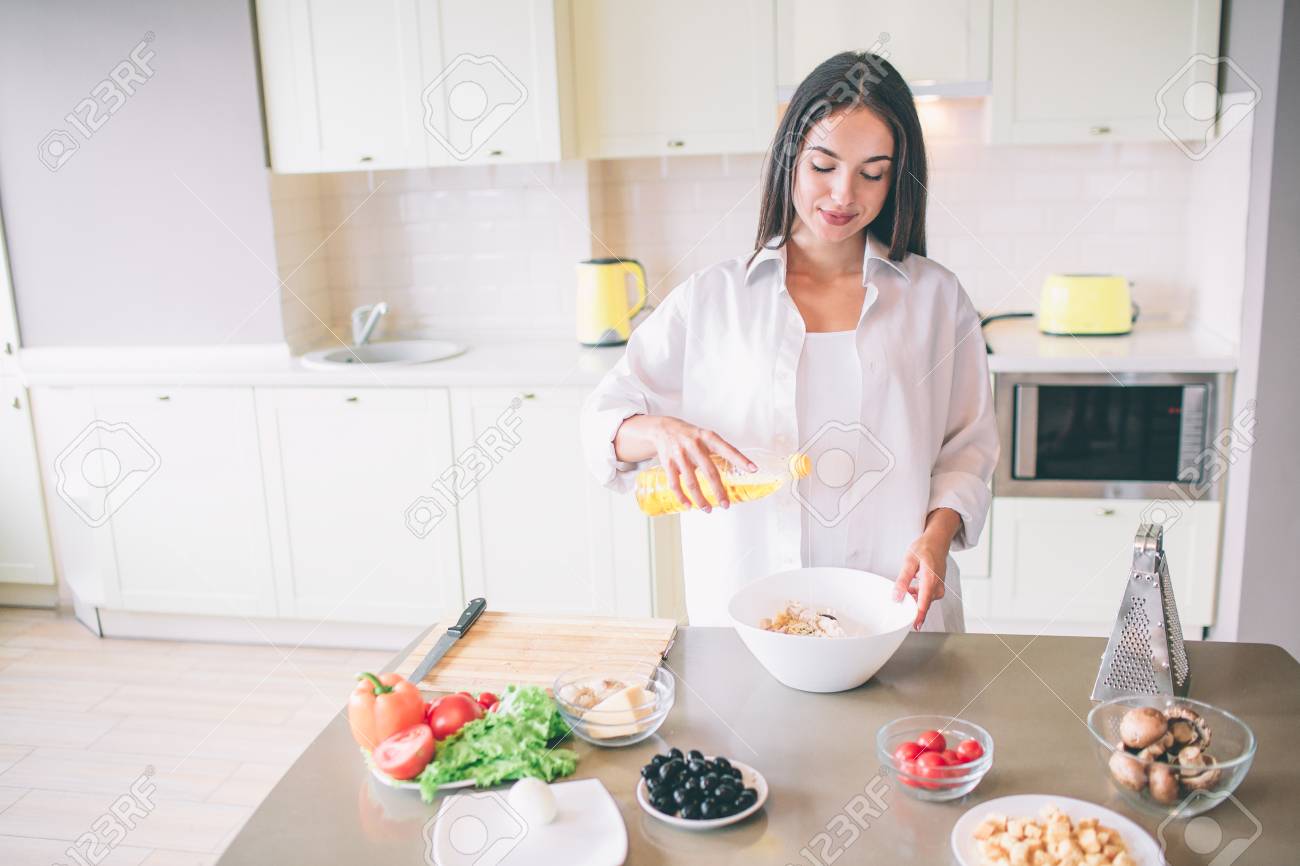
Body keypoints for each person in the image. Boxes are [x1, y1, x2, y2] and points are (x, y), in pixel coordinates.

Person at [580, 52, 998, 632]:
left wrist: (936, 538)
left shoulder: (937, 300)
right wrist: (660, 431)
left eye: (872, 172)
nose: (843, 194)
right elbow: (602, 422)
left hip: (897, 614)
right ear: (789, 160)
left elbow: (967, 453)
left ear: (896, 176)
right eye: (823, 165)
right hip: (749, 620)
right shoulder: (713, 299)